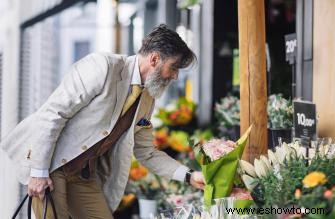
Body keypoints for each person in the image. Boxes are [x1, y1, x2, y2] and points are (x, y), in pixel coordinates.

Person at [1, 24, 205, 218]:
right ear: (154, 59)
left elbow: (146, 152)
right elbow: (54, 113)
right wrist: (38, 172)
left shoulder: (147, 99)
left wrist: (189, 176)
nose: (176, 76)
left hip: (83, 174)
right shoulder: (103, 67)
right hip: (51, 164)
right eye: (174, 67)